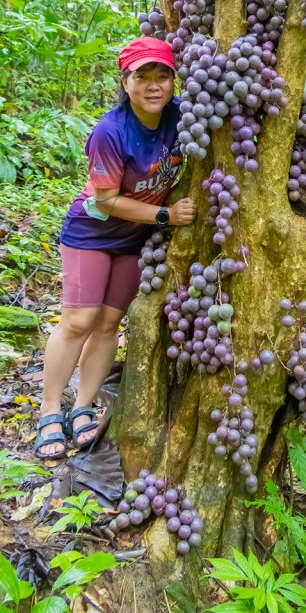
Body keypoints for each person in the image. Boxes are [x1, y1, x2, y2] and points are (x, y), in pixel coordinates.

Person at [35, 37, 195, 460]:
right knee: (79, 320)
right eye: (143, 76)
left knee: (108, 323)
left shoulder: (181, 117)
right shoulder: (111, 131)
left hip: (133, 239)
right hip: (94, 232)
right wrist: (165, 216)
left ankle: (83, 405)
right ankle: (50, 410)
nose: (154, 85)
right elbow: (105, 200)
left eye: (163, 75)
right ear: (126, 82)